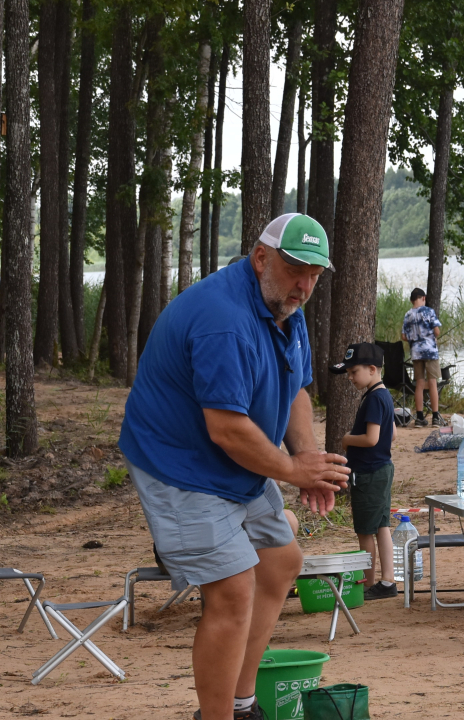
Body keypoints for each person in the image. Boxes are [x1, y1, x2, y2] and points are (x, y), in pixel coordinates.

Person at [120, 212, 351, 720]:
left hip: (235, 464)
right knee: (232, 588)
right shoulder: (224, 320)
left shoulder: (285, 306)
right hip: (181, 465)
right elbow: (226, 429)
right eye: (296, 269)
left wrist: (308, 456)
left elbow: (296, 391)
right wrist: (294, 471)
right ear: (261, 257)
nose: (305, 285)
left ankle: (243, 704)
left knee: (281, 561)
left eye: (314, 274)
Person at [331, 341, 399, 598]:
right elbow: (391, 434)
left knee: (365, 530)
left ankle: (369, 583)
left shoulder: (373, 399)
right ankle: (388, 580)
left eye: (353, 372)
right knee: (382, 526)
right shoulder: (384, 395)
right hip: (382, 469)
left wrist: (348, 439)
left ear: (372, 369)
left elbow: (371, 439)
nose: (350, 378)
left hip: (369, 473)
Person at [401, 287, 443, 427]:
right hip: (430, 351)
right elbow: (436, 331)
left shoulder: (408, 315)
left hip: (416, 353)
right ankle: (435, 417)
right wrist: (430, 336)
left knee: (419, 384)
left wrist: (415, 339)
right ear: (423, 298)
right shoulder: (429, 311)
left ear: (412, 300)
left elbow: (404, 336)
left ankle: (419, 418)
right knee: (432, 383)